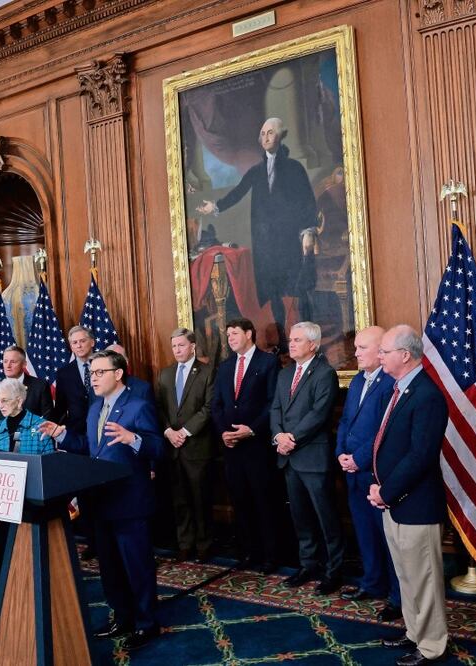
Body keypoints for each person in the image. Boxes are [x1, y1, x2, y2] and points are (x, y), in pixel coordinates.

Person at [41, 350, 164, 651]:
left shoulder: (138, 406)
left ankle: (147, 623)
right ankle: (122, 617)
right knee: (109, 567)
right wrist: (61, 435)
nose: (93, 378)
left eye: (99, 372)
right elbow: (89, 447)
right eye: (91, 373)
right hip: (99, 500)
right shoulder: (95, 408)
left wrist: (133, 439)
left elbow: (158, 448)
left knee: (137, 566)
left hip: (129, 502)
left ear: (118, 374)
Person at [196, 117, 319, 348]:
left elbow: (307, 202)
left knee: (300, 290)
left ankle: (310, 340)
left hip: (290, 241)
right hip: (266, 245)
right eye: (263, 133)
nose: (265, 137)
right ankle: (284, 342)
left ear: (281, 136)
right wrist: (216, 206)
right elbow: (238, 192)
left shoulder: (295, 168)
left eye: (270, 132)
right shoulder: (257, 171)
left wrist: (308, 231)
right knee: (273, 292)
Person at [369, 325, 449, 666]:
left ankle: (432, 646)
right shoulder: (399, 390)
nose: (379, 356)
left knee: (424, 580)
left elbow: (420, 456)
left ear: (405, 355)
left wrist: (385, 492)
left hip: (416, 505)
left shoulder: (427, 395)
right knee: (406, 576)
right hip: (394, 503)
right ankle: (415, 633)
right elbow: (388, 446)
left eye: (384, 351)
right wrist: (379, 488)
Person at [270, 322, 343, 594]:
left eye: (297, 340)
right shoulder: (284, 373)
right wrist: (279, 436)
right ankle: (308, 564)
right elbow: (275, 409)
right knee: (300, 517)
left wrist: (291, 438)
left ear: (313, 344)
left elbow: (319, 414)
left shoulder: (325, 373)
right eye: (291, 339)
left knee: (326, 518)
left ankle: (334, 571)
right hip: (289, 458)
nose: (291, 344)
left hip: (312, 457)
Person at [336, 326, 402, 621]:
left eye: (362, 348)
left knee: (388, 538)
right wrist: (341, 453)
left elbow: (384, 430)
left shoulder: (391, 383)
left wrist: (358, 459)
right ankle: (373, 583)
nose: (356, 353)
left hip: (375, 473)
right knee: (364, 532)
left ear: (380, 350)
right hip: (352, 472)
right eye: (356, 347)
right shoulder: (357, 381)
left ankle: (397, 597)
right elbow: (345, 422)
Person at [209, 318, 281, 572]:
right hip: (232, 448)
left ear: (249, 334)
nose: (230, 338)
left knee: (264, 502)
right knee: (240, 503)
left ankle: (271, 556)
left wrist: (251, 429)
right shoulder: (225, 366)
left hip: (257, 446)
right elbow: (216, 404)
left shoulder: (268, 362)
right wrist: (223, 432)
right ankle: (249, 553)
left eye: (235, 333)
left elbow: (273, 403)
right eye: (228, 334)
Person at [155, 328, 216, 562]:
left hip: (197, 446)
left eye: (181, 345)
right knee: (179, 500)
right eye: (174, 346)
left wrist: (185, 431)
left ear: (192, 346)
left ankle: (204, 545)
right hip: (173, 447)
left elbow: (208, 408)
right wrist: (169, 432)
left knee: (200, 499)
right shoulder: (165, 374)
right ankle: (185, 543)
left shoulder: (208, 372)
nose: (177, 350)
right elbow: (159, 408)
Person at [0, 377, 55, 568]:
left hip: (31, 504)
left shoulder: (41, 426)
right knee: (4, 558)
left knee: (31, 561)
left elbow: (49, 469)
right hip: (2, 503)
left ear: (19, 400)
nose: (0, 405)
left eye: (5, 400)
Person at [0, 345, 54, 446]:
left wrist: (37, 441)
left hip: (31, 445)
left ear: (24, 364)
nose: (8, 366)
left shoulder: (40, 386)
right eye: (5, 361)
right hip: (1, 446)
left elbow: (47, 419)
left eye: (13, 362)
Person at [53, 326, 98, 434]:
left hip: (103, 428)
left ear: (92, 342)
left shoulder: (105, 366)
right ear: (71, 347)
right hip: (76, 432)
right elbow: (60, 409)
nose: (79, 346)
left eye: (82, 341)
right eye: (75, 342)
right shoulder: (63, 374)